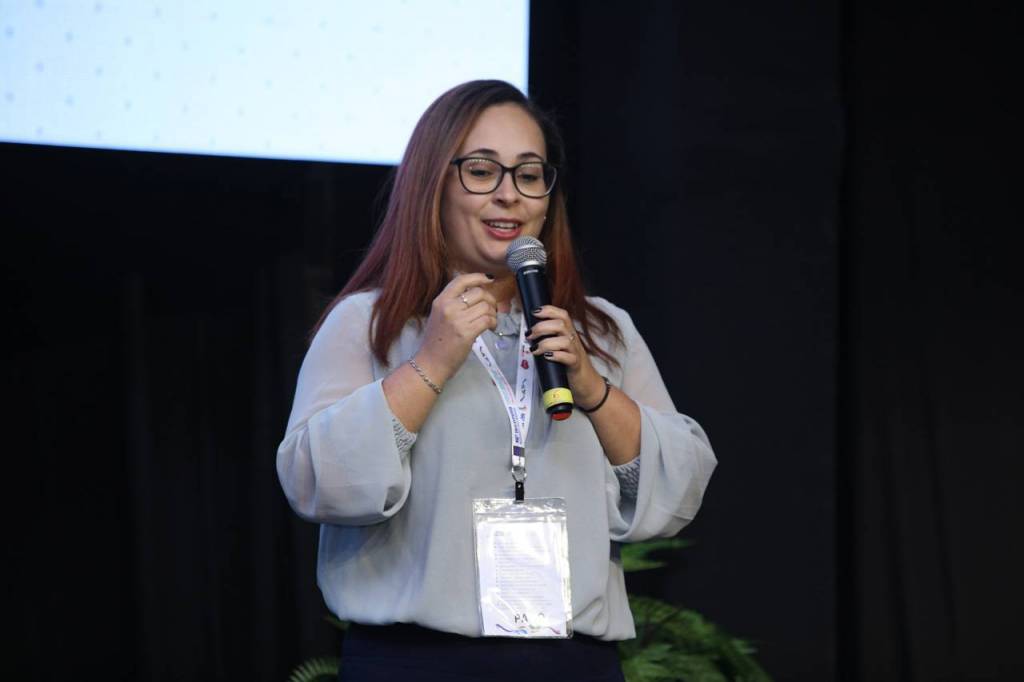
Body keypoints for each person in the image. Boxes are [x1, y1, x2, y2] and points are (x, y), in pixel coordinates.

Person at [277, 80, 716, 681]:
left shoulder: (602, 331)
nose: (509, 194)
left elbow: (678, 489)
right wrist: (433, 360)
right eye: (482, 171)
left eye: (529, 175)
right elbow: (319, 483)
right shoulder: (368, 323)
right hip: (416, 663)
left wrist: (593, 389)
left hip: (573, 665)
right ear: (432, 187)